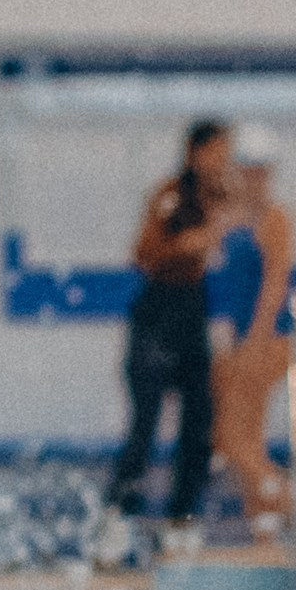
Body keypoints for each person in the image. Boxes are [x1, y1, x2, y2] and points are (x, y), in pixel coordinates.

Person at [104, 120, 240, 554]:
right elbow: (144, 253)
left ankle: (182, 518)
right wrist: (188, 243)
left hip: (192, 318)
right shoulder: (169, 196)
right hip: (156, 319)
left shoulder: (224, 199)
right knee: (144, 426)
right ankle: (117, 520)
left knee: (199, 424)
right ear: (195, 153)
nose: (221, 162)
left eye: (226, 153)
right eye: (215, 153)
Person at [208, 124, 296, 537]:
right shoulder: (225, 217)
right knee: (242, 436)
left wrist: (254, 343)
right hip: (231, 340)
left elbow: (274, 286)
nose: (252, 177)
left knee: (231, 436)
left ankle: (282, 493)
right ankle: (264, 522)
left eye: (260, 170)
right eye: (246, 168)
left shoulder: (274, 220)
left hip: (264, 340)